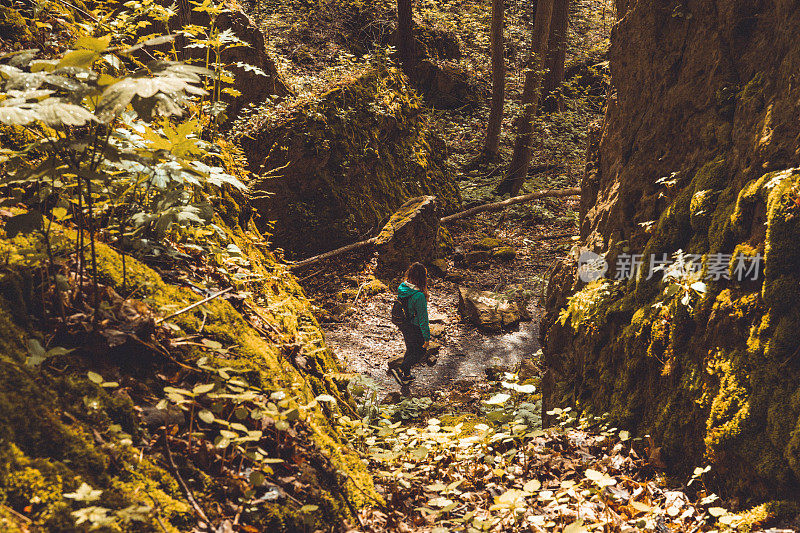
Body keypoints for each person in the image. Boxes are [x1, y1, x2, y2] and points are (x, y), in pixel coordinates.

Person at [389, 262, 430, 386]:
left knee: (410, 348)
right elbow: (423, 319)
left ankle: (406, 375)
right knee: (420, 351)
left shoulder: (403, 287)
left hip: (403, 323)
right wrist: (427, 338)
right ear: (423, 278)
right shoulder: (419, 296)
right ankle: (403, 367)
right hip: (414, 326)